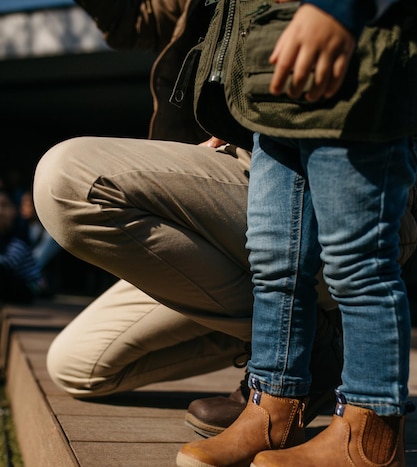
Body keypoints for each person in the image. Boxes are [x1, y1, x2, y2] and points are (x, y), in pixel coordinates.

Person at [34, 0, 417, 439]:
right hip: (243, 168)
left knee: (67, 178)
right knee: (75, 365)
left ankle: (334, 394)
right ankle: (304, 351)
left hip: (345, 174)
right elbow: (134, 21)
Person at [176, 0, 417, 467]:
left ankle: (370, 439)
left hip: (353, 68)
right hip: (274, 88)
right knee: (273, 264)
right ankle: (272, 410)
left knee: (359, 263)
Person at [0, 187, 43, 304]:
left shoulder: (19, 237)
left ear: (15, 210)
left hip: (27, 289)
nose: (1, 211)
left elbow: (8, 264)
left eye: (4, 205)